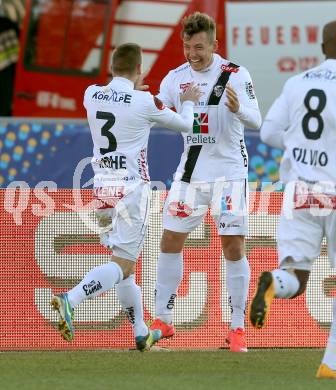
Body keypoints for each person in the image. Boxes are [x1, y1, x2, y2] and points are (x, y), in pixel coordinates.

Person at [51, 43, 201, 352]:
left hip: (102, 188)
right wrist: (186, 102)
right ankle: (71, 298)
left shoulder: (91, 94)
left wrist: (134, 91)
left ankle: (140, 331)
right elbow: (186, 124)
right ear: (139, 70)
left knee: (124, 267)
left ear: (111, 67)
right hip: (132, 190)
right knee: (123, 264)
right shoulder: (144, 101)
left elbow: (121, 102)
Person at [143, 12, 261, 352]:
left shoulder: (235, 74)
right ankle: (163, 319)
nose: (192, 54)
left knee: (233, 246)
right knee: (169, 239)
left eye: (199, 47)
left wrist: (238, 110)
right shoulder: (174, 78)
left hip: (229, 173)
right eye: (186, 46)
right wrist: (148, 103)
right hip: (190, 174)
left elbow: (257, 120)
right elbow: (158, 113)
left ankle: (237, 327)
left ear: (214, 45)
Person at [249, 20, 336, 378]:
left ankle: (273, 279)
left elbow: (268, 132)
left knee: (296, 277)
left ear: (322, 46)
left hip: (299, 190)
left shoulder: (297, 83)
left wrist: (300, 147)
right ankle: (330, 365)